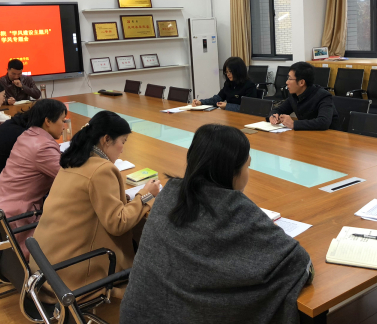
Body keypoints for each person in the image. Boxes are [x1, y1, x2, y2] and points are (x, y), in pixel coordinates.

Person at [120, 124, 313, 324]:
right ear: (232, 171)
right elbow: (299, 262)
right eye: (247, 166)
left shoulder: (170, 193)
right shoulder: (236, 209)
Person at [30, 111, 160, 301]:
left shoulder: (73, 159)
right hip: (69, 276)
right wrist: (146, 195)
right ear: (106, 139)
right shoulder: (102, 169)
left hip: (45, 265)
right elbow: (118, 224)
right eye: (123, 142)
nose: (122, 150)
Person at [0, 99, 66, 258]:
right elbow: (71, 177)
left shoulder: (27, 135)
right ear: (48, 121)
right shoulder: (43, 147)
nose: (64, 126)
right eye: (62, 121)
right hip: (13, 223)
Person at [266, 61, 338, 130]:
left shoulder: (323, 96)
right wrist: (273, 116)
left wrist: (294, 124)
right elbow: (279, 110)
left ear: (301, 82)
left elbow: (324, 122)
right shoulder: (294, 95)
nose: (287, 82)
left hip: (329, 135)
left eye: (290, 79)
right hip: (307, 134)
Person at [192, 57, 257, 111]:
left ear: (238, 71)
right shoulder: (228, 83)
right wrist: (201, 102)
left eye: (230, 71)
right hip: (230, 116)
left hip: (244, 118)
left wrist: (227, 106)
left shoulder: (249, 85)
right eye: (226, 72)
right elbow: (217, 99)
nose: (228, 74)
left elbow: (248, 108)